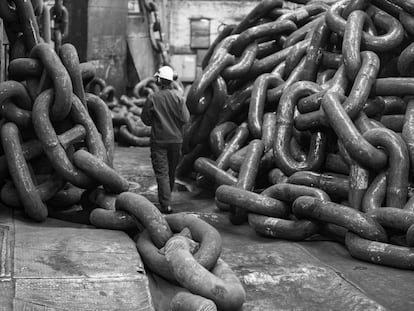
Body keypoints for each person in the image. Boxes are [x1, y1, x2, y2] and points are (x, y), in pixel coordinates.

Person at [141, 66, 190, 214]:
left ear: (158, 80)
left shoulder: (152, 98)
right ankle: (167, 199)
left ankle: (166, 204)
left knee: (162, 173)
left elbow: (146, 120)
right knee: (171, 172)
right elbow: (185, 119)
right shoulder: (179, 97)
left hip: (159, 141)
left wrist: (157, 121)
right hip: (176, 141)